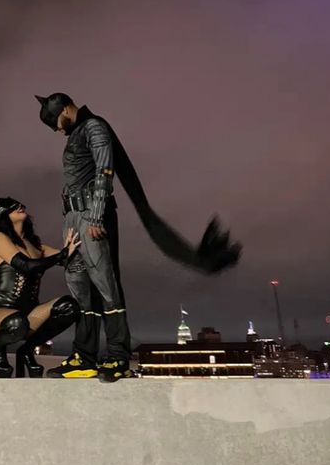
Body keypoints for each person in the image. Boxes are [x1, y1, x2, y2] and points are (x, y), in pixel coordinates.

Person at [35, 93, 242, 382]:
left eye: (55, 122)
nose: (57, 130)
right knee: (81, 289)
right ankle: (85, 356)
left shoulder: (94, 127)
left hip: (91, 217)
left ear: (66, 108)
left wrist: (95, 214)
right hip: (73, 220)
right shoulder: (77, 133)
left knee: (105, 285)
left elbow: (105, 169)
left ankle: (118, 355)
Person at [0, 197, 81, 378]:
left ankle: (26, 351)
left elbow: (65, 258)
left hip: (30, 312)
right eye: (13, 207)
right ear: (4, 215)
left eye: (20, 204)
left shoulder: (36, 246)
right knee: (17, 322)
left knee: (69, 307)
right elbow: (26, 266)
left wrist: (72, 247)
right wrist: (63, 255)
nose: (20, 206)